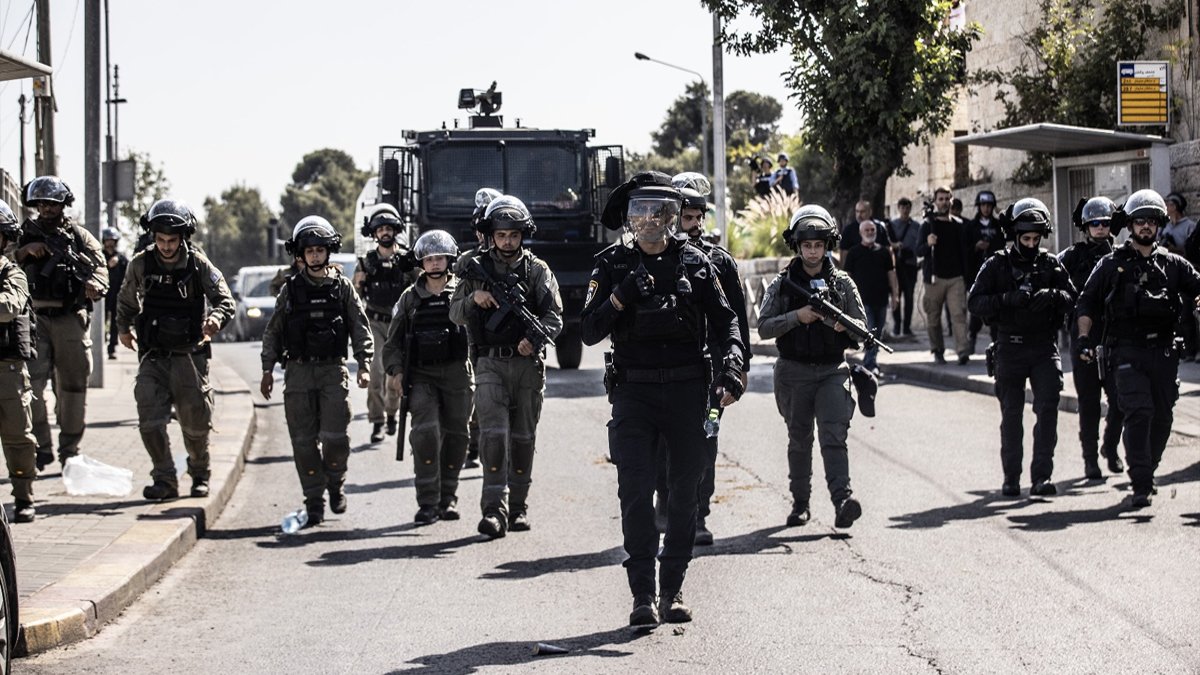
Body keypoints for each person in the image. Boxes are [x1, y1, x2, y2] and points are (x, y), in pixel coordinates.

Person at [581, 171, 744, 627]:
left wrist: (733, 364)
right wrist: (619, 298)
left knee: (684, 497)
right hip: (633, 394)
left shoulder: (696, 263)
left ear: (673, 216)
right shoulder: (611, 264)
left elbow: (727, 322)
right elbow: (589, 331)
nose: (649, 220)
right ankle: (642, 596)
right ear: (629, 218)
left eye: (658, 212)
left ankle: (672, 590)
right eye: (639, 212)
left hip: (688, 393)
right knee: (634, 494)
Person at [1076, 189, 1200, 508]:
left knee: (1162, 419)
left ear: (1159, 225)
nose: (1146, 227)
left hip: (1164, 353)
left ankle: (1149, 470)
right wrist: (1084, 338)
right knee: (1139, 413)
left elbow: (1197, 287)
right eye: (1140, 221)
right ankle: (1141, 483)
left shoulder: (1173, 265)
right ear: (1130, 225)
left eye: (1152, 221)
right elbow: (1087, 302)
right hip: (1126, 352)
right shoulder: (1111, 265)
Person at [449, 195, 562, 539]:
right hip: (489, 364)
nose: (507, 241)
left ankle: (518, 508)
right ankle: (493, 511)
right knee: (494, 438)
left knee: (523, 439)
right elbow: (454, 313)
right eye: (501, 235)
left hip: (527, 366)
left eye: (513, 235)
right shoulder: (474, 268)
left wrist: (535, 339)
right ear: (490, 235)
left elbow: (554, 318)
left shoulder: (537, 270)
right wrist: (473, 299)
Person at [116, 200, 235, 501]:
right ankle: (165, 479)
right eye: (161, 240)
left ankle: (199, 473)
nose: (166, 246)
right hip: (153, 355)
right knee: (150, 421)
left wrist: (215, 320)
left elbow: (225, 300)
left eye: (172, 240)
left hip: (189, 356)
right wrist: (122, 328)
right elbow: (127, 300)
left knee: (195, 425)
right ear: (153, 237)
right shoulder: (140, 263)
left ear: (183, 238)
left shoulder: (198, 264)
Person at [758, 204, 865, 533]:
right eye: (807, 245)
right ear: (797, 246)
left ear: (827, 245)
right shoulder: (783, 283)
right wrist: (798, 317)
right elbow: (763, 326)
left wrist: (841, 326)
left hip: (833, 370)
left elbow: (862, 327)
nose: (813, 251)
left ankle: (842, 501)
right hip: (794, 372)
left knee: (834, 436)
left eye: (819, 245)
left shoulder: (843, 283)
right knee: (799, 440)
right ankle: (800, 503)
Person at [260, 217, 373, 527]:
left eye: (319, 250)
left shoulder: (342, 288)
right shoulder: (290, 291)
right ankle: (314, 500)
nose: (314, 256)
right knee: (303, 441)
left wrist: (364, 364)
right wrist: (267, 369)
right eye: (308, 251)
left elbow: (359, 326)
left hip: (332, 372)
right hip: (297, 373)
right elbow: (273, 332)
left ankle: (335, 483)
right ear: (300, 254)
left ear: (328, 252)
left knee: (336, 437)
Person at [659, 171, 751, 546]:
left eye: (698, 217)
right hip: (666, 370)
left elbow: (736, 322)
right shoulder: (653, 257)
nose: (693, 225)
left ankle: (698, 514)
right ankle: (665, 503)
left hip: (710, 371)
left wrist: (737, 368)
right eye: (686, 217)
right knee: (663, 441)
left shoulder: (719, 262)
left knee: (704, 441)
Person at [967, 198, 1075, 497]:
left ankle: (1041, 477)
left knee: (1048, 410)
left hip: (1043, 348)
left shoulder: (1051, 263)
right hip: (1009, 348)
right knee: (1011, 416)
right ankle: (1011, 479)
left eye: (1035, 239)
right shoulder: (996, 264)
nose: (1030, 243)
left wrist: (1052, 295)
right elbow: (974, 302)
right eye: (1025, 238)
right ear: (1014, 236)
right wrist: (1006, 300)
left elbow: (1073, 299)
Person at [15, 176, 108, 471]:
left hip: (70, 317)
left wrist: (95, 284)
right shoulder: (22, 234)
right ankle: (42, 447)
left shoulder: (80, 237)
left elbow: (100, 268)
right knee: (30, 387)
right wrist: (24, 252)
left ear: (62, 204)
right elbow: (5, 262)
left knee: (72, 388)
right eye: (41, 203)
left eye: (52, 203)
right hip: (34, 319)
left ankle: (69, 448)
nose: (46, 208)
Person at [384, 230, 473, 525]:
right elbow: (392, 343)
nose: (435, 264)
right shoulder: (409, 299)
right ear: (421, 263)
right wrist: (396, 373)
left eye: (439, 258)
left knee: (457, 435)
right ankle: (427, 502)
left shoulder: (463, 291)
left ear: (449, 260)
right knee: (425, 434)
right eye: (429, 259)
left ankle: (448, 497)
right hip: (421, 376)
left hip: (458, 374)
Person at [1059, 197, 1125, 479]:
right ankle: (1089, 459)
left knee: (1121, 397)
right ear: (1086, 226)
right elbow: (1054, 282)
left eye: (1105, 223)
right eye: (1095, 223)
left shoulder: (1122, 255)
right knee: (1088, 400)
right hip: (1084, 333)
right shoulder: (1072, 256)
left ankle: (1110, 447)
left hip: (1116, 335)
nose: (1100, 228)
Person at [353, 204, 415, 443]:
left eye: (389, 228)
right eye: (381, 229)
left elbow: (420, 287)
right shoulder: (366, 263)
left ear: (395, 230)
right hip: (375, 322)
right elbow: (355, 298)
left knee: (394, 374)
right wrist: (359, 283)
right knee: (376, 374)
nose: (385, 233)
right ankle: (377, 421)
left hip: (399, 325)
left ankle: (392, 415)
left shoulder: (406, 260)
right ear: (374, 233)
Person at [454, 187, 502, 470]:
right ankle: (473, 444)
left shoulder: (518, 260)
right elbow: (456, 302)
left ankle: (492, 445)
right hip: (473, 335)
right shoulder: (466, 261)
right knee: (473, 391)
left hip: (503, 338)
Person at [0, 200, 40, 522]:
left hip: (7, 371)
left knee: (18, 438)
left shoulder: (12, 273)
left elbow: (8, 307)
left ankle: (24, 496)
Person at [916, 187, 971, 364]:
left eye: (947, 199)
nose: (944, 202)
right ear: (935, 201)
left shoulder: (958, 225)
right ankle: (938, 349)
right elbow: (918, 250)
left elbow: (964, 252)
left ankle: (962, 351)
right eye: (941, 199)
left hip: (955, 278)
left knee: (958, 315)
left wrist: (967, 276)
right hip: (934, 278)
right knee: (933, 318)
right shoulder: (927, 225)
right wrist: (928, 243)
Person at [843, 220, 899, 373]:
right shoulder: (854, 252)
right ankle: (870, 364)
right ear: (861, 233)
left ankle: (870, 361)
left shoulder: (884, 252)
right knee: (871, 332)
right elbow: (847, 276)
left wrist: (895, 295)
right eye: (866, 230)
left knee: (878, 332)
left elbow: (891, 274)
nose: (870, 232)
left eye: (872, 230)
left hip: (881, 299)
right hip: (862, 301)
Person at [965, 191, 1005, 354]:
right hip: (977, 273)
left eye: (989, 205)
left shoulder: (998, 226)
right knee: (977, 310)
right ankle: (972, 338)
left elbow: (1003, 244)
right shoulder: (970, 227)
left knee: (995, 308)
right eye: (983, 205)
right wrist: (975, 247)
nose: (986, 208)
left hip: (995, 273)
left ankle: (996, 344)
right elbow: (964, 251)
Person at [889, 197, 920, 337]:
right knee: (896, 295)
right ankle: (897, 326)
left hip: (910, 265)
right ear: (898, 208)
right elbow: (888, 242)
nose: (905, 210)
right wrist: (895, 246)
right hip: (897, 265)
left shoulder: (916, 226)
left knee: (909, 296)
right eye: (902, 207)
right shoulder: (892, 224)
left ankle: (906, 327)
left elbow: (919, 244)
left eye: (907, 207)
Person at [101, 227, 128, 360]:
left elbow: (128, 277)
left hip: (117, 295)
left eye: (112, 240)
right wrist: (107, 265)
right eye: (107, 240)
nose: (110, 243)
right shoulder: (99, 256)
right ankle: (100, 346)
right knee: (100, 322)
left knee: (114, 324)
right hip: (102, 296)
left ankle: (112, 349)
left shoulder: (121, 258)